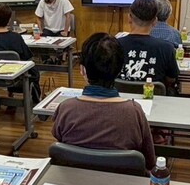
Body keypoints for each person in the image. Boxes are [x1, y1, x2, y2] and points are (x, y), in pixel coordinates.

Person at [53, 33, 155, 170]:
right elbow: (149, 162)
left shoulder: (65, 108)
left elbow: (60, 151)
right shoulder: (134, 112)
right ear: (120, 70)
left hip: (74, 180)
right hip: (122, 181)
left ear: (82, 70)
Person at [117, 0, 180, 94]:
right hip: (155, 100)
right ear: (155, 21)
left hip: (120, 99)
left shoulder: (114, 45)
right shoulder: (166, 48)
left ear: (129, 18)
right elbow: (171, 79)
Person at [0, 3, 42, 102]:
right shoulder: (15, 37)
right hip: (15, 75)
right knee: (34, 72)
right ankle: (36, 100)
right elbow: (27, 56)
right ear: (9, 20)